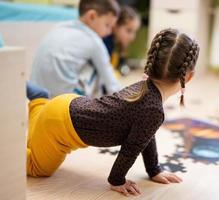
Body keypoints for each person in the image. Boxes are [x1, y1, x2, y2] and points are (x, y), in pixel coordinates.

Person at [26, 28, 200, 196]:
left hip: (66, 104)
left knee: (38, 127)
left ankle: (39, 99)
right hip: (58, 126)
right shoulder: (153, 108)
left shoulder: (144, 88)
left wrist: (154, 170)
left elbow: (146, 135)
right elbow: (130, 148)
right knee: (37, 169)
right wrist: (117, 180)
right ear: (189, 77)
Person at [30, 0, 121, 97]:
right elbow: (111, 83)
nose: (109, 32)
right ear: (92, 16)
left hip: (37, 96)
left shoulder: (59, 27)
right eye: (107, 25)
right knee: (98, 68)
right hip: (65, 102)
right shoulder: (93, 40)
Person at [103, 5, 141, 76]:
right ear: (116, 25)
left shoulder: (118, 45)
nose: (133, 37)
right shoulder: (106, 43)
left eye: (135, 32)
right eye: (129, 30)